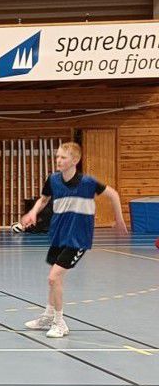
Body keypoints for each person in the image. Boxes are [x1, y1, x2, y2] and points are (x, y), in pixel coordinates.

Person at [21, 141, 127, 339]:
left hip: (78, 239)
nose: (58, 160)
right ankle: (47, 316)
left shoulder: (87, 183)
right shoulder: (52, 180)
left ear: (75, 160)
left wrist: (119, 219)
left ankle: (60, 323)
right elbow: (43, 199)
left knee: (53, 277)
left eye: (63, 157)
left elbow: (113, 194)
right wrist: (33, 213)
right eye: (57, 156)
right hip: (59, 235)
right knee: (55, 280)